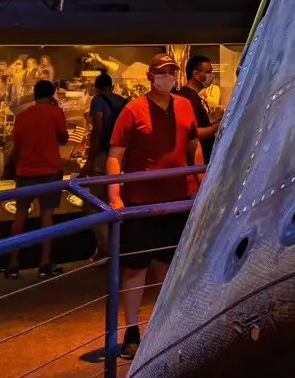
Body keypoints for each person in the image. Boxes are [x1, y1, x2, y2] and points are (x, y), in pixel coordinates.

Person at [106, 53, 203, 360]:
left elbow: (193, 147)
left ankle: (165, 327)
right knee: (135, 269)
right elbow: (115, 154)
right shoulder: (133, 109)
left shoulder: (185, 106)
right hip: (141, 203)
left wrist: (198, 183)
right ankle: (132, 331)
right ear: (150, 76)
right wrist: (115, 195)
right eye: (163, 73)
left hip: (176, 199)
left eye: (172, 73)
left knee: (169, 266)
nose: (169, 78)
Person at [5, 78, 70, 279]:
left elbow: (16, 146)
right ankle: (44, 263)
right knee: (47, 215)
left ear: (34, 96)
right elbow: (64, 138)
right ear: (52, 95)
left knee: (19, 216)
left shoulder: (22, 116)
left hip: (25, 172)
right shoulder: (55, 112)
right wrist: (56, 108)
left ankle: (13, 263)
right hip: (49, 171)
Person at [85, 67, 127, 262]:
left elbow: (98, 127)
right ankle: (120, 245)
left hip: (103, 156)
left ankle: (105, 249)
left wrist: (91, 157)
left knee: (95, 202)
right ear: (112, 86)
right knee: (115, 198)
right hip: (121, 156)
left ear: (96, 89)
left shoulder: (98, 101)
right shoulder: (122, 101)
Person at [175, 53, 223, 162]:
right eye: (208, 72)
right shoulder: (187, 98)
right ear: (196, 74)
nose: (211, 76)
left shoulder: (194, 96)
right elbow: (192, 133)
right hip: (197, 160)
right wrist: (218, 127)